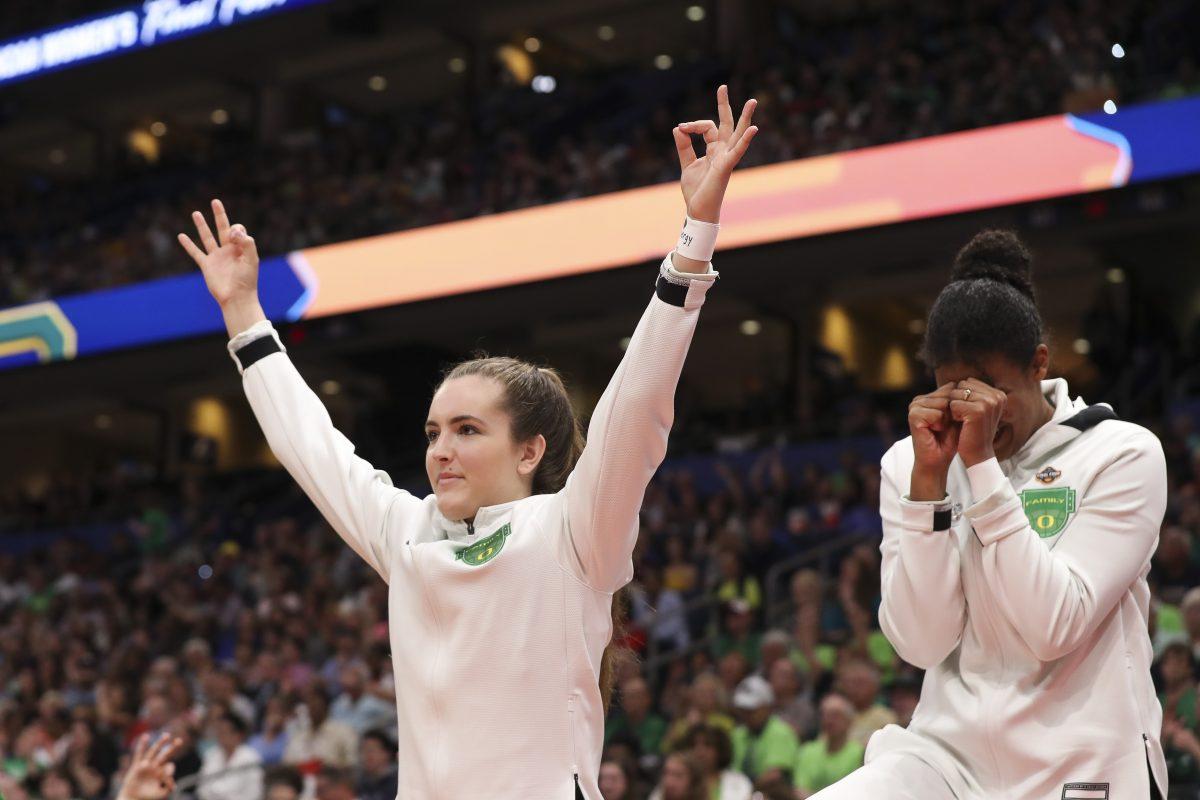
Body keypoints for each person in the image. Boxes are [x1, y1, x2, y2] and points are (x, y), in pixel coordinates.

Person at [177, 85, 758, 800]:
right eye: (432, 433)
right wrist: (244, 315)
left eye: (467, 430)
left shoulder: (574, 531)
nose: (440, 450)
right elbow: (311, 446)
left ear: (530, 451)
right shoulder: (408, 530)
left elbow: (636, 407)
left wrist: (694, 238)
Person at [812, 230, 1169, 798]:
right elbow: (920, 644)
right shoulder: (910, 461)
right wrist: (927, 488)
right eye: (952, 396)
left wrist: (980, 468)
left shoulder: (1122, 452)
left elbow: (1055, 627)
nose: (969, 417)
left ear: (1038, 364)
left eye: (990, 395)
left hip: (1082, 765)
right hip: (947, 760)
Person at [728, 675, 799, 784]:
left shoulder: (781, 733)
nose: (746, 715)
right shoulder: (737, 735)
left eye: (752, 710)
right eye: (743, 710)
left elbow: (774, 775)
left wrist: (742, 790)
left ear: (767, 706)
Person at [793, 694, 863, 797]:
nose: (828, 720)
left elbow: (855, 792)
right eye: (824, 715)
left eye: (835, 715)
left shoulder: (860, 753)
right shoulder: (807, 750)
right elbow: (799, 790)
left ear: (849, 721)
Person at [197, 712, 264, 800]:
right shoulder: (211, 754)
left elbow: (254, 794)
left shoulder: (251, 758)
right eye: (219, 732)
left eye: (224, 732)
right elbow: (202, 788)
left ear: (238, 735)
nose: (220, 736)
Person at [684, 723, 753, 800]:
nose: (699, 752)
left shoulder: (739, 782)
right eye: (693, 745)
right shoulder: (680, 783)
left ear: (720, 750)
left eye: (708, 745)